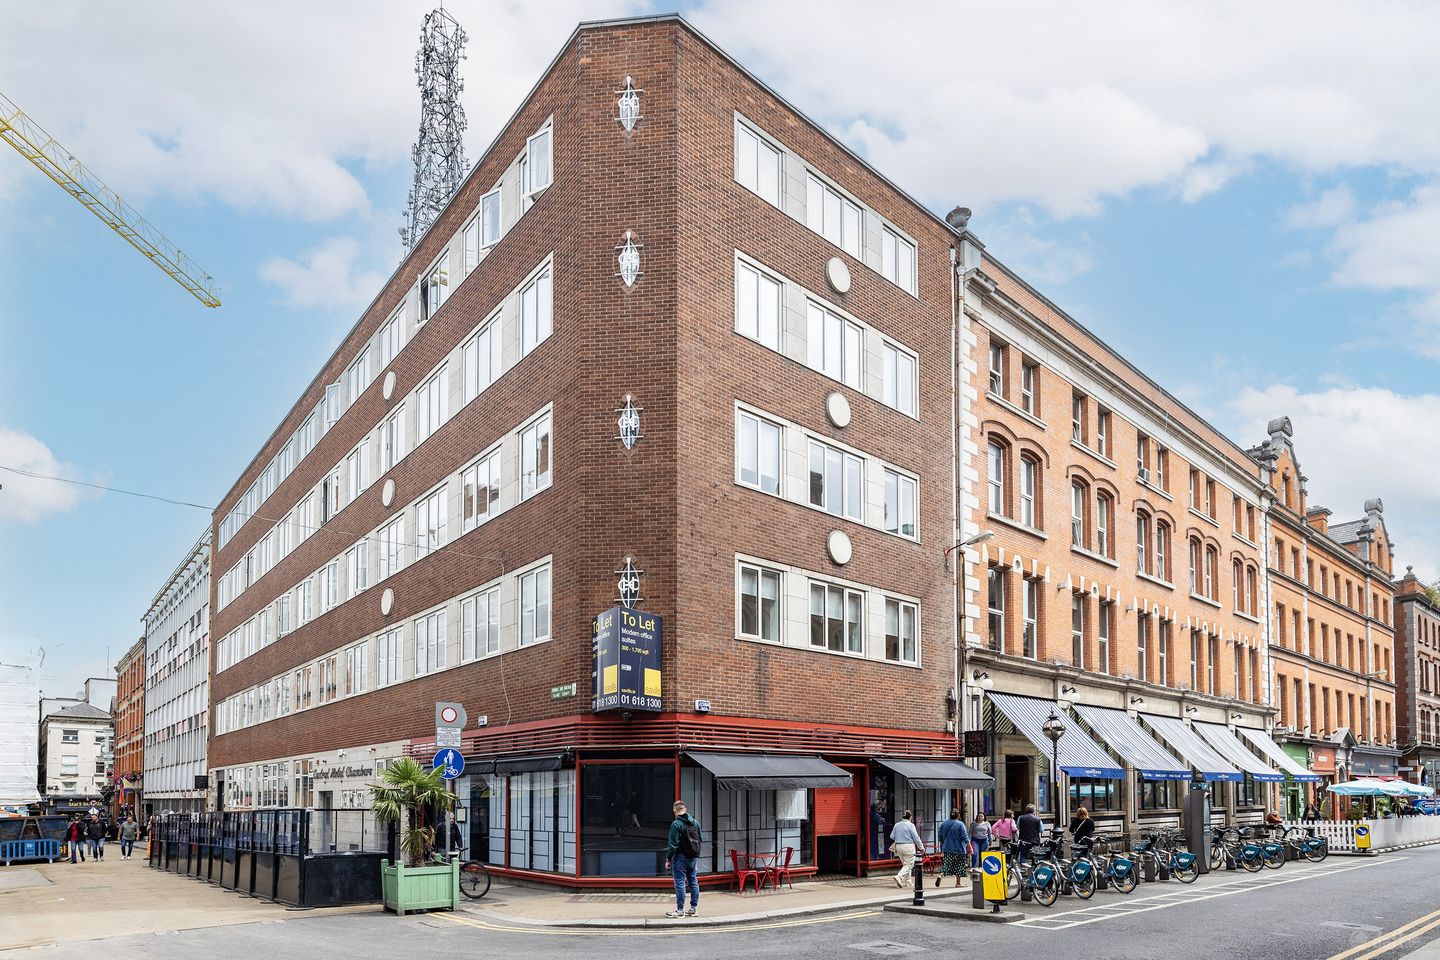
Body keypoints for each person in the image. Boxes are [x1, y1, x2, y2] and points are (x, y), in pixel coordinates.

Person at [663, 799, 702, 919]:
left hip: (680, 857)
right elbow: (701, 838)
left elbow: (673, 845)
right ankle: (693, 909)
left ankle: (680, 910)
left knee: (680, 882)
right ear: (685, 809)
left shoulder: (676, 824)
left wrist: (668, 860)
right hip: (693, 857)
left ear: (674, 811)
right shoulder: (695, 822)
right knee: (693, 881)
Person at [935, 808, 971, 887]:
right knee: (959, 866)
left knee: (947, 865)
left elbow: (940, 837)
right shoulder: (960, 824)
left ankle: (940, 875)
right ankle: (958, 883)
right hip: (959, 849)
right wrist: (969, 846)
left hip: (947, 848)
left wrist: (942, 847)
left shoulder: (943, 824)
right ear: (958, 815)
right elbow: (964, 836)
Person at [889, 809, 924, 887]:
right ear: (910, 817)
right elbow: (916, 837)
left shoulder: (897, 824)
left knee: (905, 865)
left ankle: (908, 881)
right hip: (908, 846)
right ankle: (899, 876)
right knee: (909, 864)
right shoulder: (911, 825)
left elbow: (892, 836)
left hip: (898, 847)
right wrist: (921, 847)